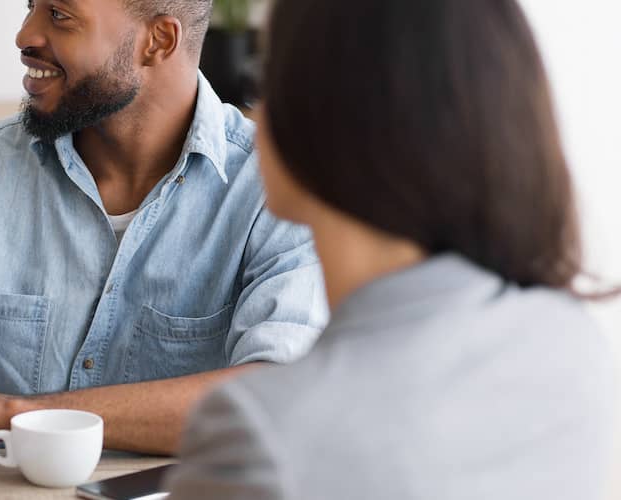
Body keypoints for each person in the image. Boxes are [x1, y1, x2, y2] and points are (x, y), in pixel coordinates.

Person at [0, 0, 328, 479]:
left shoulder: (278, 187)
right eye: (30, 6)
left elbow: (278, 402)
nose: (25, 34)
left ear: (159, 41)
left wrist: (6, 413)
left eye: (60, 15)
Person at [164, 0, 616, 498]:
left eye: (268, 77)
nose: (255, 109)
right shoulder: (572, 343)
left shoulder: (261, 436)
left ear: (327, 124)